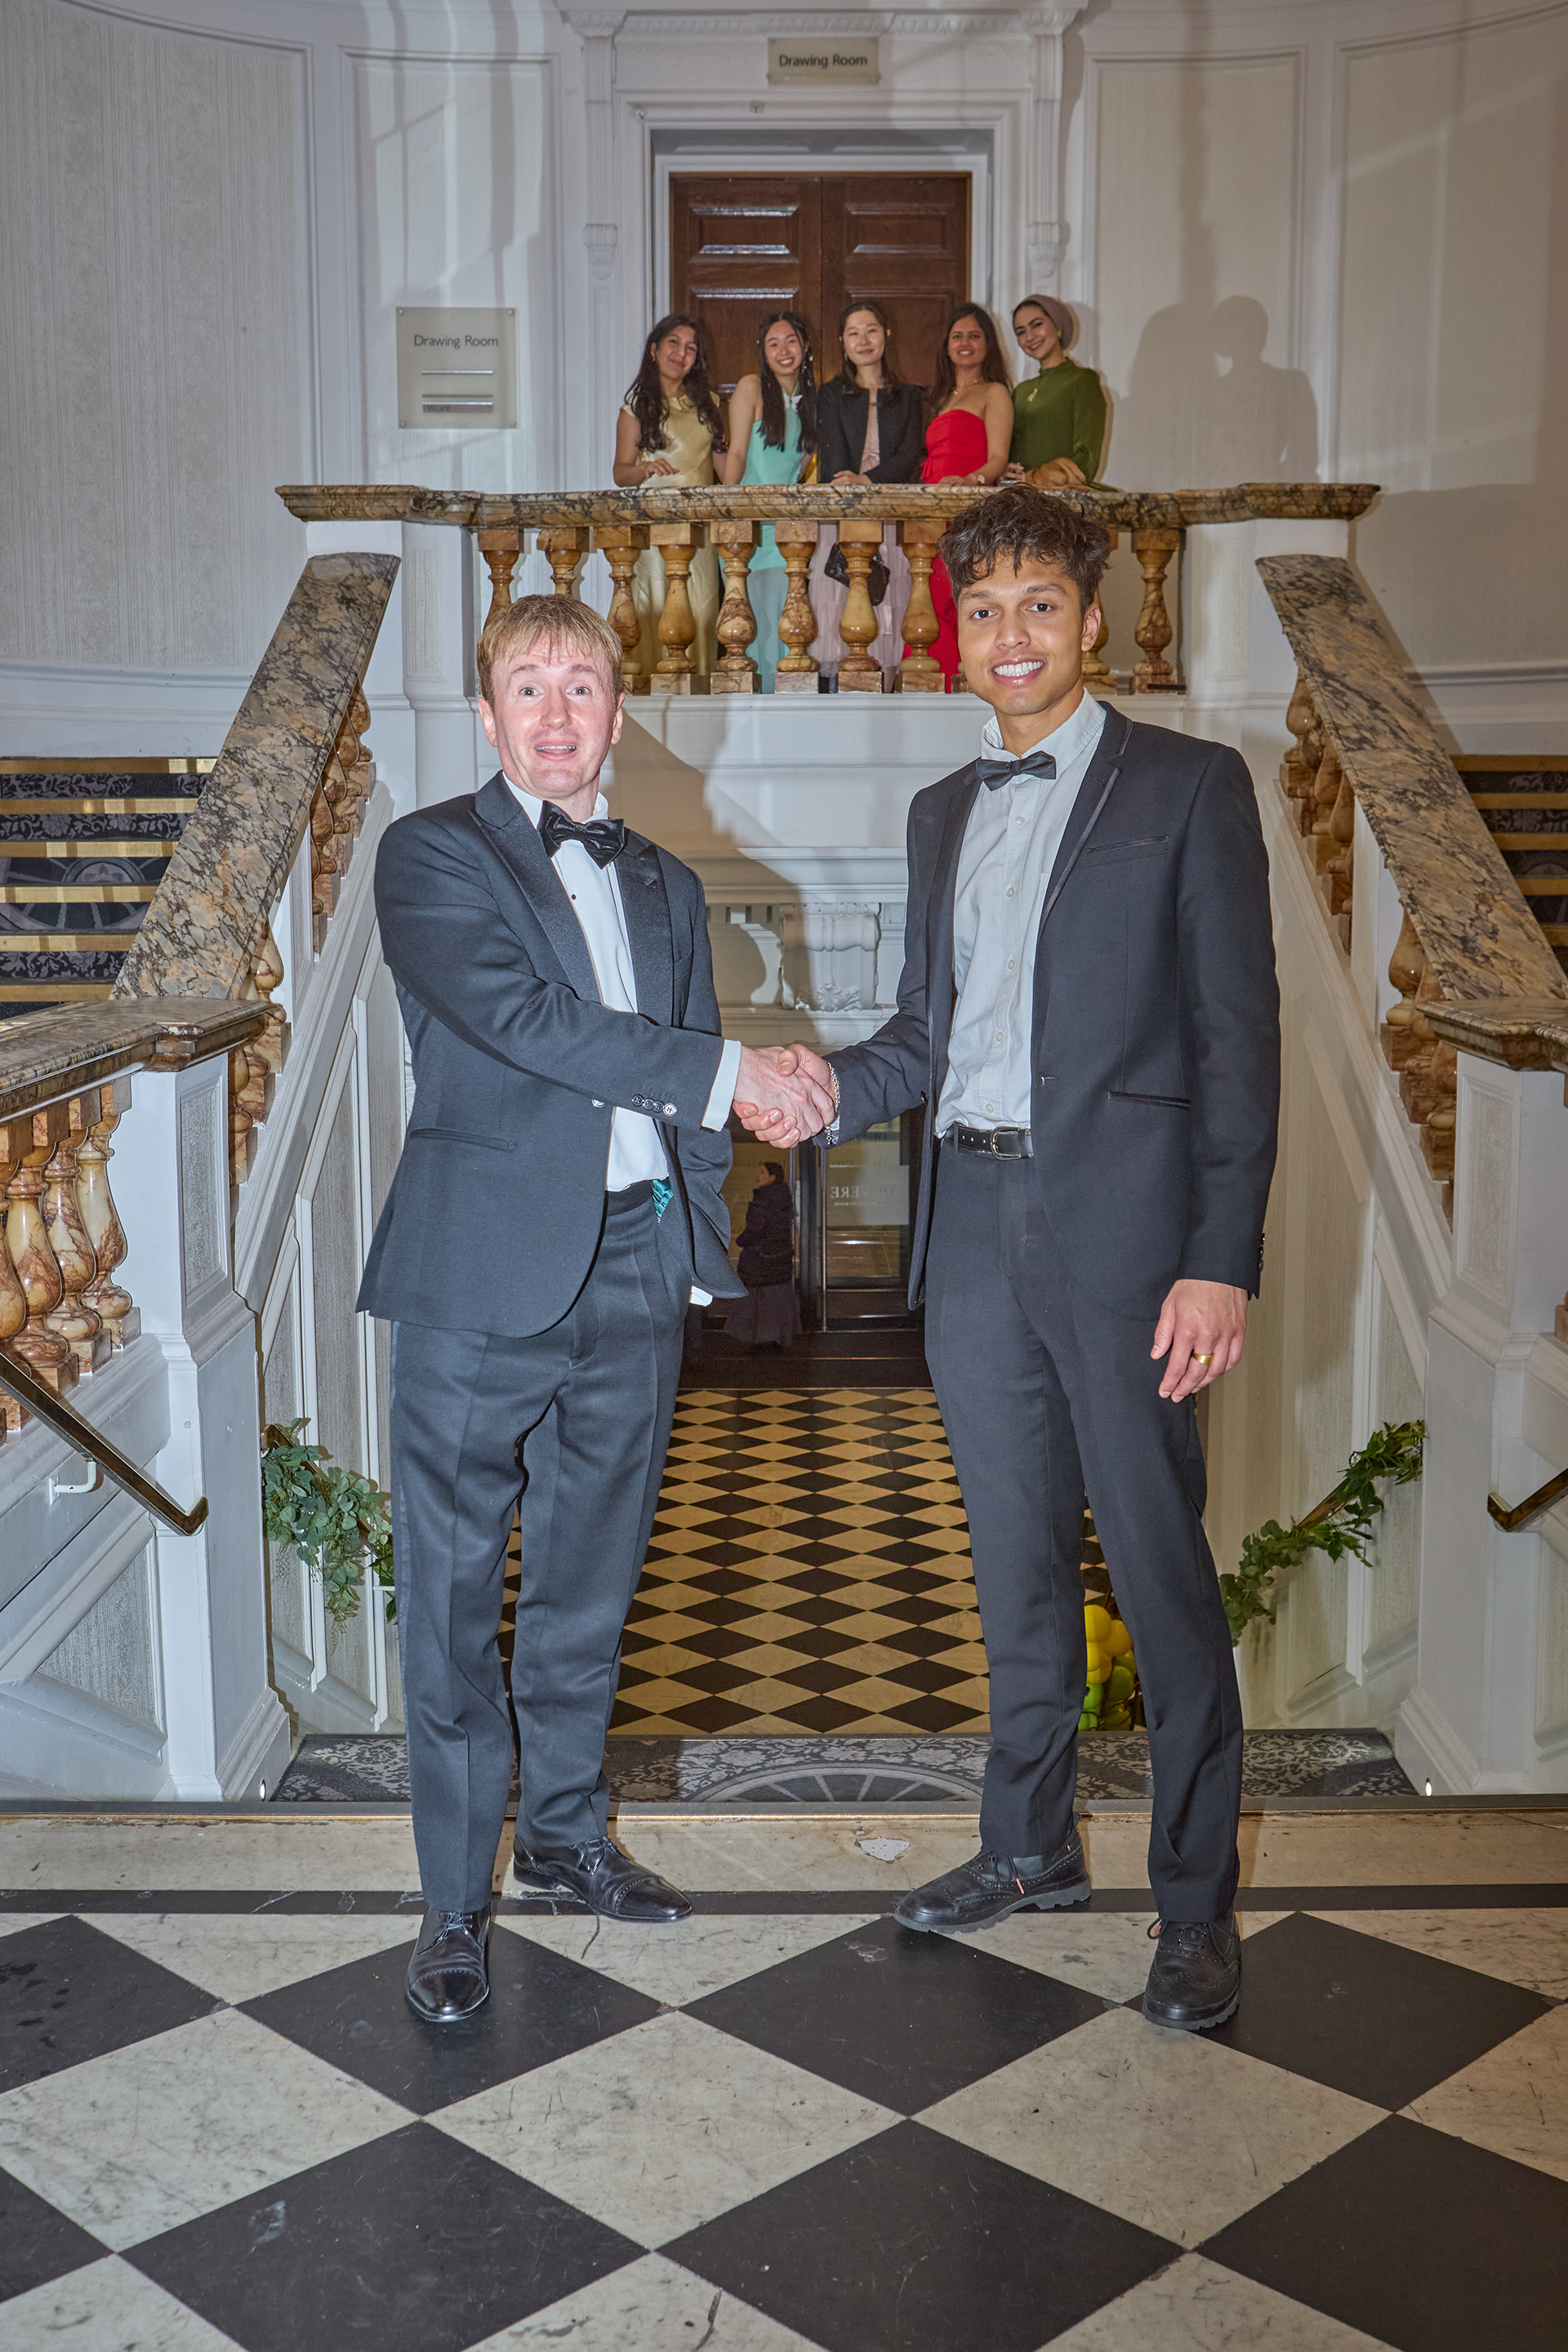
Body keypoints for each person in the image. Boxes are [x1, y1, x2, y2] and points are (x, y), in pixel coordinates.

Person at [742, 486, 1281, 2033]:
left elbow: (1239, 1047)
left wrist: (1220, 1259)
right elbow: (927, 1035)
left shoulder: (1190, 786)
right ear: (956, 637)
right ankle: (1029, 1846)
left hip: (1128, 1244)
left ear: (1092, 621)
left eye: (1040, 603)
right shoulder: (943, 813)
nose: (1013, 634)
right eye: (983, 611)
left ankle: (1196, 1905)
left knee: (1160, 1571)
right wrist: (824, 1084)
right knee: (1013, 1561)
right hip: (969, 1230)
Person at [361, 594, 833, 2023]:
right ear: (488, 713)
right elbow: (529, 1023)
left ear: (618, 712)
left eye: (582, 685)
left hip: (632, 1269)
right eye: (528, 686)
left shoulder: (670, 885)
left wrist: (694, 1243)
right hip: (477, 1278)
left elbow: (685, 1077)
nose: (557, 713)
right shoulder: (430, 854)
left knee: (588, 1585)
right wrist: (739, 1078)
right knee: (453, 1601)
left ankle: (565, 1839)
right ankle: (455, 1904)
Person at [814, 301, 924, 679]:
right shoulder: (830, 394)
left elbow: (910, 455)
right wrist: (854, 487)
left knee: (889, 604)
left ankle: (886, 690)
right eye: (853, 333)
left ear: (886, 335)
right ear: (843, 342)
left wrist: (868, 481)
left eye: (871, 330)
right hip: (844, 516)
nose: (863, 340)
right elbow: (833, 463)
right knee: (839, 603)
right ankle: (838, 693)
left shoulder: (909, 395)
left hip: (893, 515)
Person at [613, 314, 724, 680]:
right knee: (657, 610)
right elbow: (620, 473)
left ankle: (701, 694)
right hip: (654, 531)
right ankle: (653, 694)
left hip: (700, 532)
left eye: (691, 348)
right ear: (654, 350)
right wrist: (645, 468)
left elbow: (727, 469)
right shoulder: (636, 407)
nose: (681, 353)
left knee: (702, 611)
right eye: (674, 343)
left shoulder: (709, 405)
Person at [721, 311, 817, 690]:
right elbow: (737, 454)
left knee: (791, 621)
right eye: (773, 344)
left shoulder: (813, 399)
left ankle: (789, 706)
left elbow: (802, 464)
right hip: (752, 525)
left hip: (790, 527)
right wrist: (727, 514)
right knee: (756, 624)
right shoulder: (752, 387)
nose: (783, 350)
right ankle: (759, 704)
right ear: (763, 351)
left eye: (791, 341)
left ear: (805, 345)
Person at [920, 304, 1013, 686]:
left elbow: (998, 458)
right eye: (957, 336)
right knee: (926, 596)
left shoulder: (995, 392)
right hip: (930, 512)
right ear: (946, 345)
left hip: (968, 511)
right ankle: (932, 685)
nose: (965, 343)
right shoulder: (939, 398)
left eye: (974, 336)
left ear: (987, 344)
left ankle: (965, 685)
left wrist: (972, 480)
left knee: (960, 594)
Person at [1003, 295, 1107, 488]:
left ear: (1058, 326)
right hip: (1018, 496)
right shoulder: (1021, 391)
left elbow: (1087, 457)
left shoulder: (1083, 380)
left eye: (1037, 325)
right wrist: (1003, 470)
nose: (1030, 337)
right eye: (1021, 332)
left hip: (1063, 498)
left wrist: (1038, 478)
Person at [725, 1159, 801, 1348]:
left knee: (755, 1297)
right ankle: (775, 1337)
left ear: (772, 1177)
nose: (757, 1176)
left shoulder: (763, 1199)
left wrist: (741, 1240)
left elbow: (756, 1229)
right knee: (775, 1298)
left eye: (762, 1173)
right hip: (779, 1256)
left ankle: (759, 1338)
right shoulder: (784, 1198)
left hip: (760, 1258)